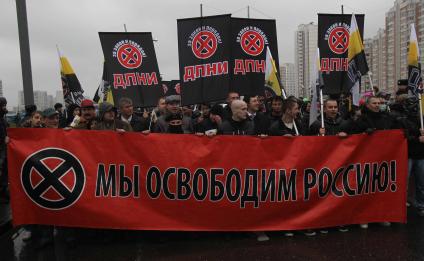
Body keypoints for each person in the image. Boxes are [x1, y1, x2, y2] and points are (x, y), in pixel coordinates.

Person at [397, 97, 424, 216]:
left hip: (420, 155)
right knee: (403, 183)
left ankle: (421, 204)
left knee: (421, 182)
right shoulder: (401, 121)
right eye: (411, 105)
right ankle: (400, 206)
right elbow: (402, 137)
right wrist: (417, 139)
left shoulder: (422, 120)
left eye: (415, 105)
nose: (414, 107)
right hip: (406, 155)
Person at [0, 98, 8, 203]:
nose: (5, 107)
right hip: (1, 149)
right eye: (3, 105)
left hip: (3, 149)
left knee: (4, 170)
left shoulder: (2, 118)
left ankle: (3, 190)